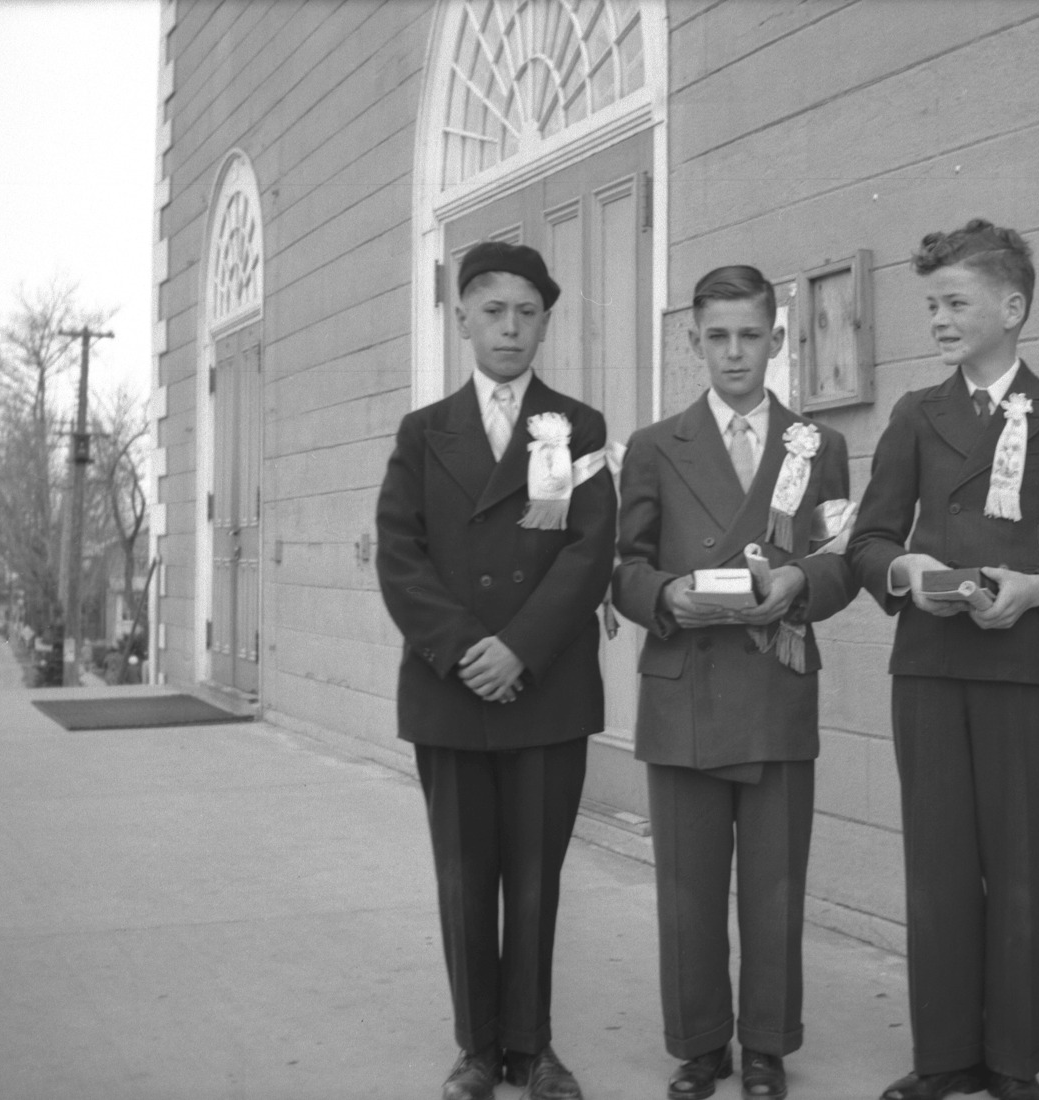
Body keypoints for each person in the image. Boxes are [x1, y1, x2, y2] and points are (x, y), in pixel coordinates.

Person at [847, 219, 1039, 1100]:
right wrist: (904, 567)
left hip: (1030, 673)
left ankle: (1012, 1064)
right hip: (929, 669)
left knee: (1022, 865)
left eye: (954, 302)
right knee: (938, 867)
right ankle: (943, 1059)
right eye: (931, 305)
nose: (938, 320)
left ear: (1013, 307)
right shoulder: (915, 415)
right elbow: (871, 535)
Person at [375, 241, 617, 1100]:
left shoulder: (578, 426)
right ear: (463, 318)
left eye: (527, 313)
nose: (510, 329)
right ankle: (478, 1049)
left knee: (537, 877)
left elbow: (591, 548)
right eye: (493, 312)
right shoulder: (422, 432)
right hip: (451, 689)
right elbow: (399, 557)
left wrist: (519, 646)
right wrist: (466, 651)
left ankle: (534, 1046)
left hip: (544, 683)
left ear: (545, 321)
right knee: (465, 877)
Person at [612, 265, 857, 1100]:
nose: (734, 353)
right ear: (693, 343)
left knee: (774, 884)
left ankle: (765, 1046)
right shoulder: (654, 446)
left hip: (775, 683)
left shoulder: (819, 446)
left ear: (778, 340)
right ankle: (698, 1043)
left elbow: (841, 556)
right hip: (685, 683)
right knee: (686, 885)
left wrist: (803, 587)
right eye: (716, 336)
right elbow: (624, 566)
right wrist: (663, 597)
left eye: (751, 334)